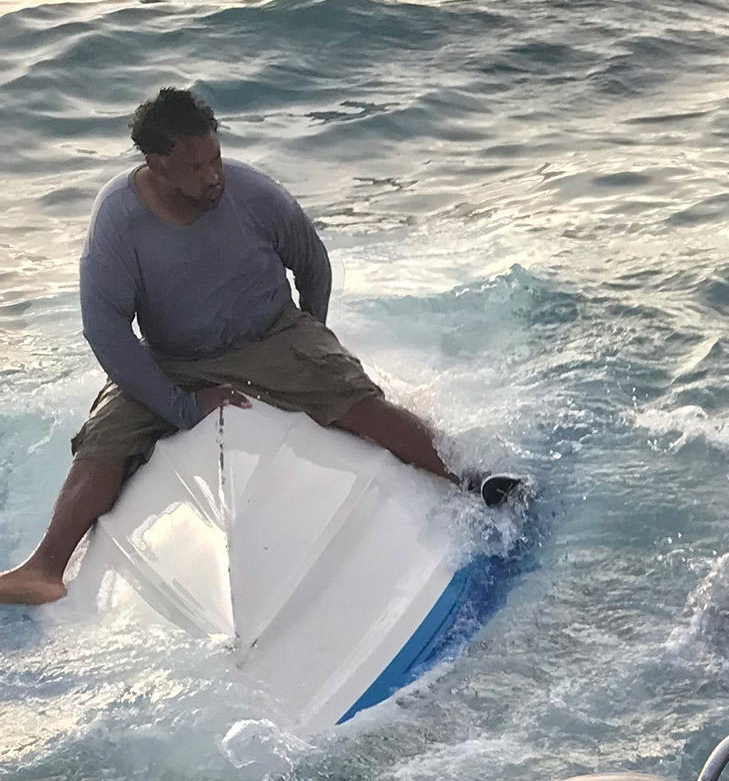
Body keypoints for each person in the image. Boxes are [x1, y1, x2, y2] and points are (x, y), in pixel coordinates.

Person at [0, 87, 519, 608]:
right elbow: (105, 329)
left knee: (360, 406)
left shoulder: (254, 195)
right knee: (104, 442)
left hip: (270, 334)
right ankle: (44, 569)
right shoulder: (118, 218)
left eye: (216, 158)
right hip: (173, 358)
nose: (213, 176)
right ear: (158, 164)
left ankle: (473, 481)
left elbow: (312, 264)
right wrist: (180, 406)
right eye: (197, 167)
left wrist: (309, 342)